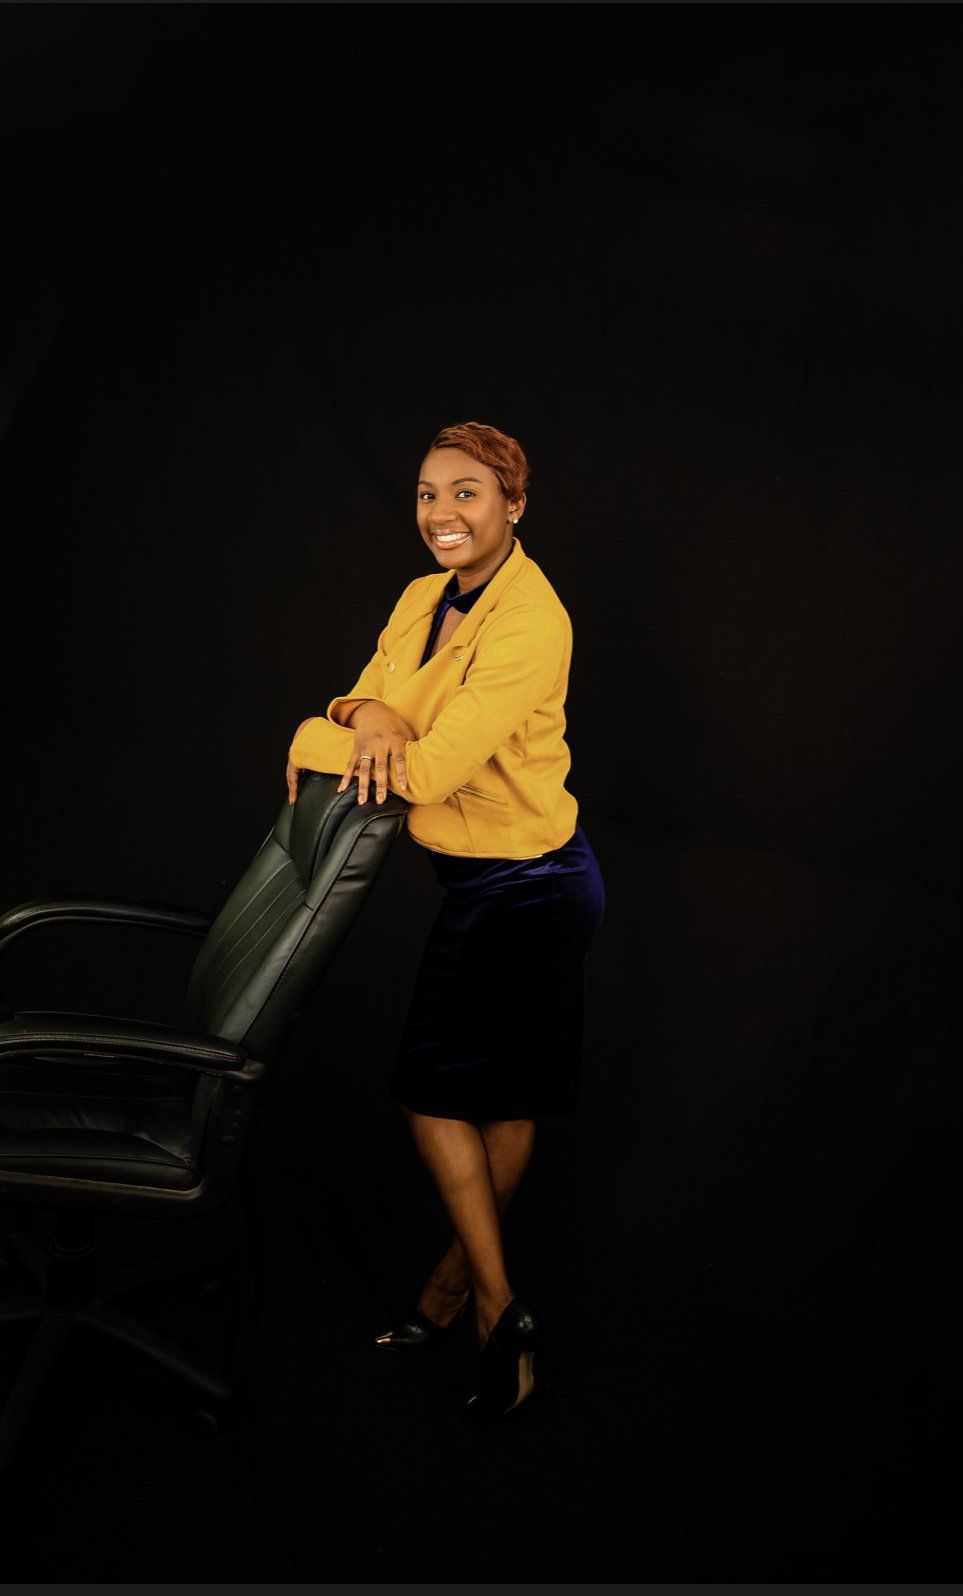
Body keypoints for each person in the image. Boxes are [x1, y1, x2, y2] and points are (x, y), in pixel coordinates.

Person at [285, 421, 605, 1417]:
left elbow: (417, 772)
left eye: (465, 493)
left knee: (439, 1097)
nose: (440, 515)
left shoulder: (528, 619)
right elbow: (364, 702)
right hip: (481, 885)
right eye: (427, 494)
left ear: (514, 502)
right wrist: (351, 715)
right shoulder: (422, 596)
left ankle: (488, 1303)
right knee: (499, 1103)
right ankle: (453, 1293)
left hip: (533, 886)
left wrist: (328, 726)